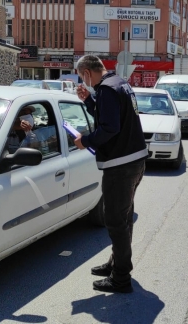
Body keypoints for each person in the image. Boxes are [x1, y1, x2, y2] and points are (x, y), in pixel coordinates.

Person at [73, 55, 147, 294]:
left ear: (87, 72)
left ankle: (121, 277)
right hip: (134, 161)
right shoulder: (119, 83)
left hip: (121, 165)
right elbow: (113, 117)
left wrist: (85, 140)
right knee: (123, 218)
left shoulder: (106, 89)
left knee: (115, 220)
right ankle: (117, 264)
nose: (83, 82)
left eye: (81, 76)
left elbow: (110, 128)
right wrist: (89, 103)